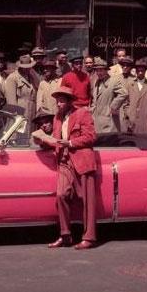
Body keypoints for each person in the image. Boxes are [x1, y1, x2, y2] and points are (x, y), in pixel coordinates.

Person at [43, 87, 98, 250]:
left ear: (69, 101)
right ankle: (65, 235)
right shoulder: (58, 117)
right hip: (65, 161)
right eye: (57, 100)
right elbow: (55, 138)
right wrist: (43, 138)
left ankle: (89, 238)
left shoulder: (83, 113)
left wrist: (71, 143)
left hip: (82, 161)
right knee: (61, 195)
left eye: (61, 100)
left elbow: (91, 136)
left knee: (87, 201)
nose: (58, 104)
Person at [90, 57, 127, 133]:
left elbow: (124, 93)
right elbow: (94, 101)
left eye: (101, 70)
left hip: (109, 123)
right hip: (96, 122)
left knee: (108, 144)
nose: (99, 73)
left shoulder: (113, 81)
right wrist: (91, 111)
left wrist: (113, 106)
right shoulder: (96, 82)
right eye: (97, 70)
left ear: (106, 70)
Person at [123, 60, 147, 134]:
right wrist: (128, 114)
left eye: (142, 71)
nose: (140, 73)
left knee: (145, 141)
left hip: (146, 119)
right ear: (135, 71)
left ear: (145, 71)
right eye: (138, 71)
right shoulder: (130, 84)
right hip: (132, 119)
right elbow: (126, 103)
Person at [4, 54, 37, 124]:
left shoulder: (31, 77)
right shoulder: (12, 78)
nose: (27, 69)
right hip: (20, 115)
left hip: (32, 115)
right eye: (25, 67)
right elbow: (11, 102)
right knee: (20, 134)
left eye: (29, 67)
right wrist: (16, 118)